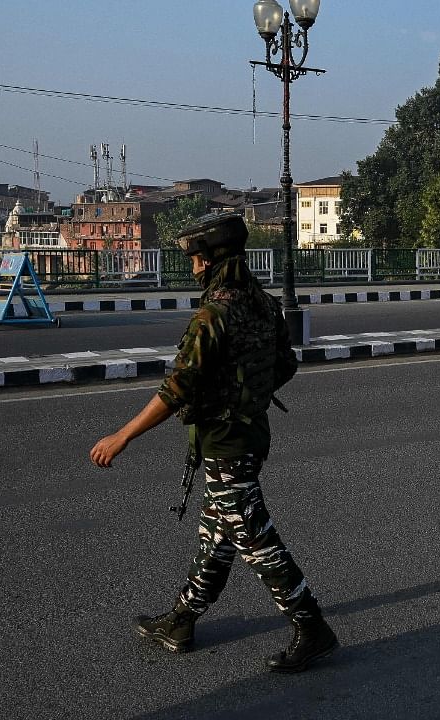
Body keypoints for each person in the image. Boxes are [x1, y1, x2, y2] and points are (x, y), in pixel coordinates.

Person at [89, 212, 338, 673]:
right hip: (251, 432)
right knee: (218, 532)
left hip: (226, 441)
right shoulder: (261, 302)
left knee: (253, 538)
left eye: (195, 261)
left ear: (205, 262)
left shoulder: (213, 313)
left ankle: (312, 626)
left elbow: (177, 388)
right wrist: (246, 392)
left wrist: (122, 436)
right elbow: (285, 365)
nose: (194, 269)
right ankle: (182, 620)